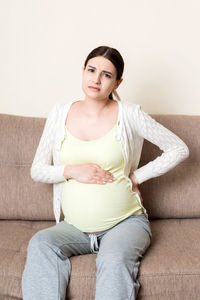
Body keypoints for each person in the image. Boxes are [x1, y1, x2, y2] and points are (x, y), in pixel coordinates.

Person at [21, 45, 189, 300]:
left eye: (107, 75)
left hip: (125, 224)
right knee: (41, 243)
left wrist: (136, 177)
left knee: (112, 259)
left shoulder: (129, 114)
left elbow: (178, 148)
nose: (96, 79)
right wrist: (72, 171)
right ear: (83, 71)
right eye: (91, 70)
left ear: (117, 82)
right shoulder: (59, 113)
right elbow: (37, 170)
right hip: (74, 228)